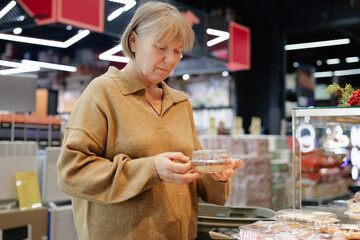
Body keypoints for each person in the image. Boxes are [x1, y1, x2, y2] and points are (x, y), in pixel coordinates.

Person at [57, 1, 242, 239]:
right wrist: (150, 169)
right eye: (161, 48)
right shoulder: (103, 93)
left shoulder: (179, 103)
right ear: (133, 41)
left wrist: (215, 173)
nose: (170, 60)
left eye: (177, 51)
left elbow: (197, 181)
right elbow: (71, 172)